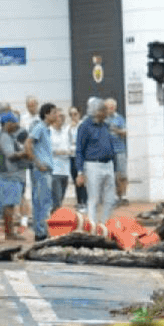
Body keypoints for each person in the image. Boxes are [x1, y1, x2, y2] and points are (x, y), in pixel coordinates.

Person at [75, 99, 121, 235]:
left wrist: (116, 169)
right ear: (96, 112)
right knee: (93, 199)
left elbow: (112, 147)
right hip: (93, 164)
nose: (106, 112)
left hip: (108, 164)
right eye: (103, 110)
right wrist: (80, 171)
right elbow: (79, 149)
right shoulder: (85, 126)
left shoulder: (106, 126)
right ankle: (93, 228)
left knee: (110, 198)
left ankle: (105, 226)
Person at [0, 110, 27, 239]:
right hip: (8, 175)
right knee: (9, 206)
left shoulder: (4, 136)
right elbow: (10, 155)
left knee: (10, 205)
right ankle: (10, 233)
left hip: (9, 175)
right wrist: (26, 153)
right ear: (7, 123)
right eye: (14, 123)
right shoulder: (4, 137)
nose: (16, 126)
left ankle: (10, 232)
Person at [26, 102, 59, 239]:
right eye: (54, 112)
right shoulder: (39, 127)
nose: (57, 115)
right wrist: (37, 163)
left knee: (42, 201)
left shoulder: (47, 129)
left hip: (45, 169)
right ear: (46, 114)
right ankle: (41, 232)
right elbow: (28, 143)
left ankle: (41, 231)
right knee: (42, 201)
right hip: (42, 170)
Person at [52, 105, 78, 211]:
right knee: (57, 197)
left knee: (61, 196)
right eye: (59, 116)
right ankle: (55, 218)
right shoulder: (49, 131)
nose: (62, 118)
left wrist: (71, 149)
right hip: (54, 169)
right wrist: (61, 151)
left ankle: (54, 213)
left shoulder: (67, 130)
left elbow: (73, 144)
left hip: (65, 168)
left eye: (63, 116)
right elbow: (49, 149)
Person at [105, 98, 129, 203]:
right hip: (107, 151)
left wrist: (116, 130)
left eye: (109, 107)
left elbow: (125, 133)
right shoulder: (104, 119)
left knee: (122, 173)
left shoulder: (119, 118)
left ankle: (123, 195)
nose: (107, 109)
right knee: (110, 174)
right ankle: (113, 195)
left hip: (119, 150)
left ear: (114, 107)